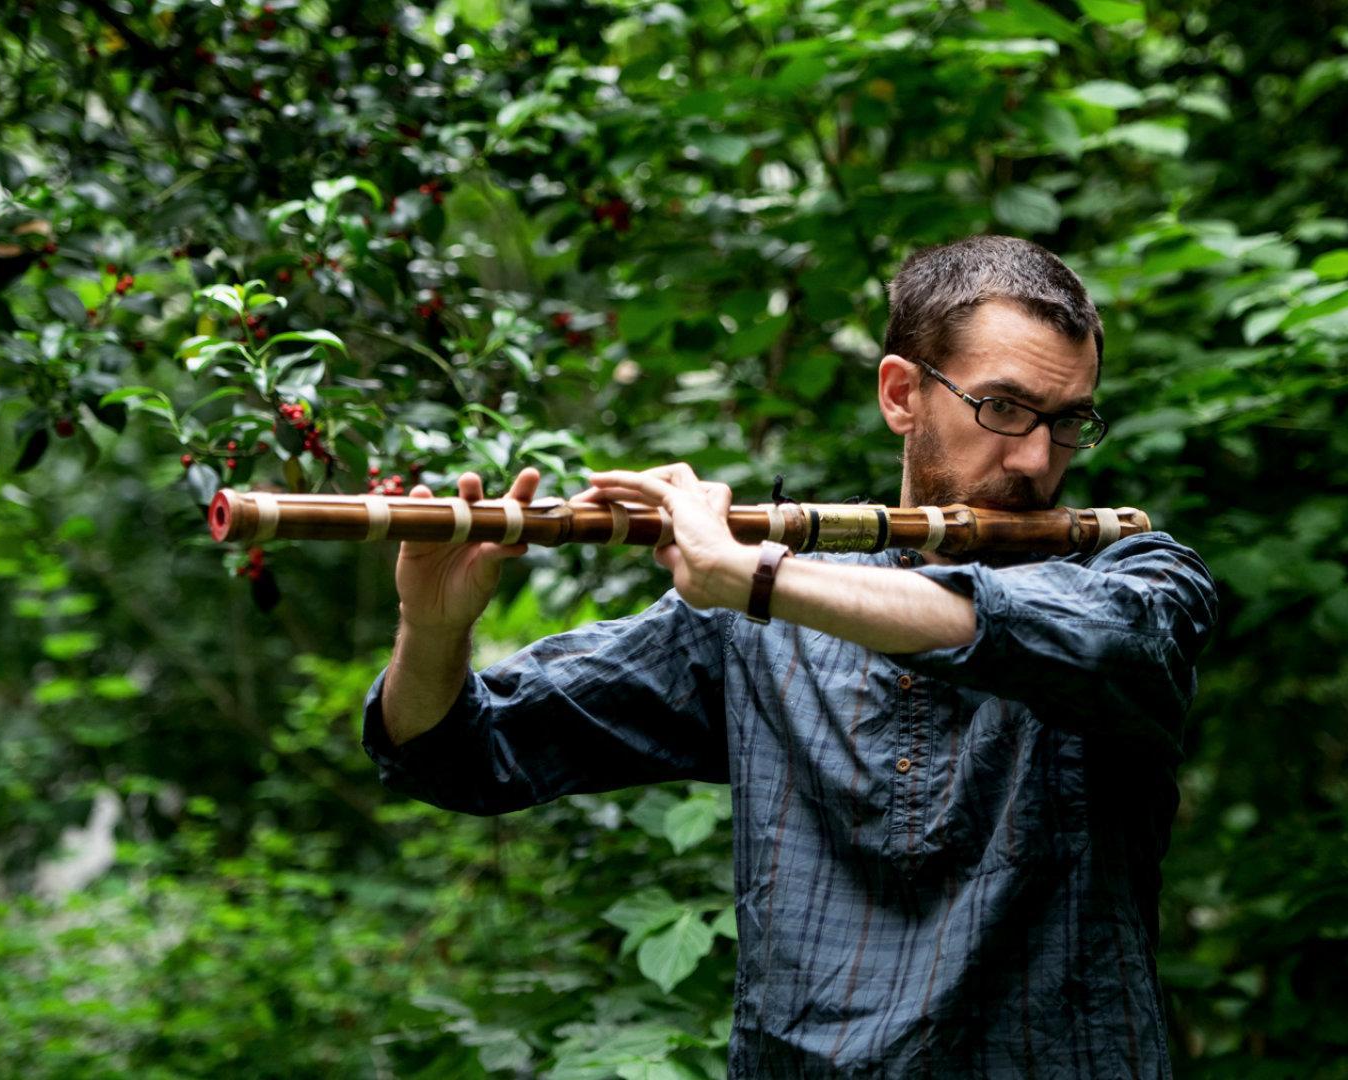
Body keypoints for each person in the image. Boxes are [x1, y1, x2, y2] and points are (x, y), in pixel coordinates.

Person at [360, 235, 1219, 1077]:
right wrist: (431, 630)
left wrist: (754, 577)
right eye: (1003, 409)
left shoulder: (1141, 579)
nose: (1037, 458)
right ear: (901, 394)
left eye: (1069, 421)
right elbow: (459, 754)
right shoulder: (749, 618)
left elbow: (1053, 630)